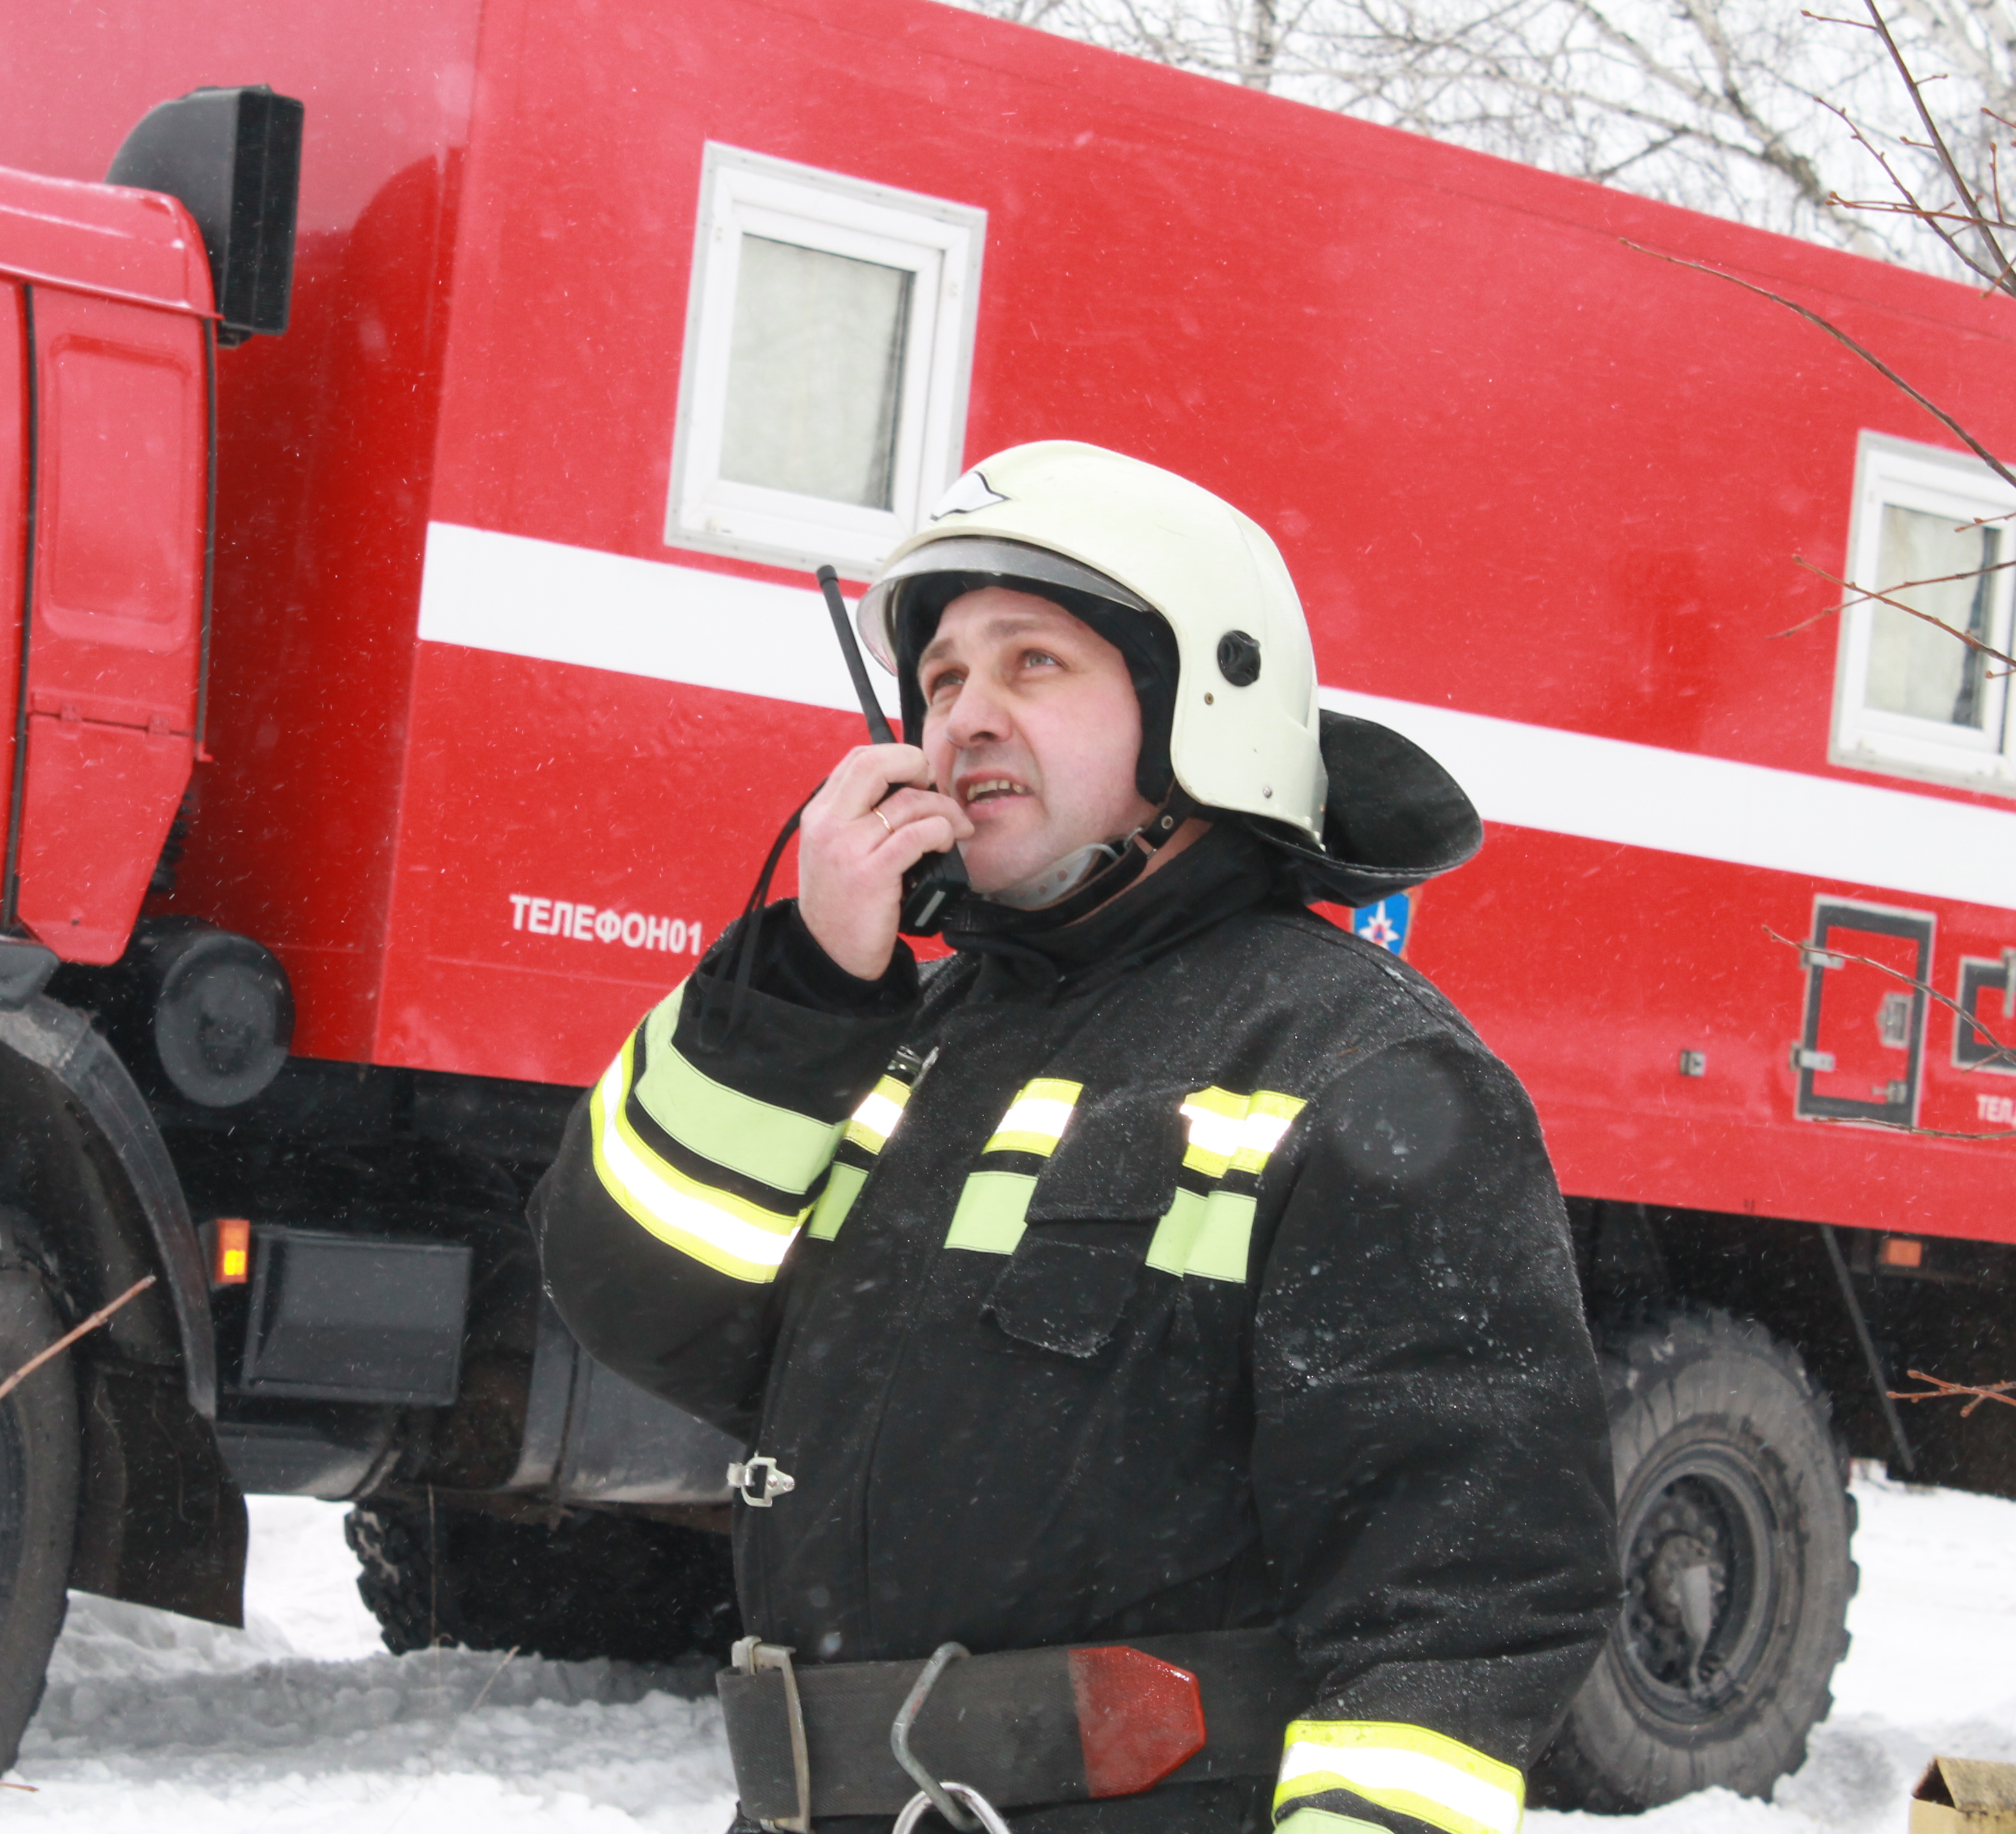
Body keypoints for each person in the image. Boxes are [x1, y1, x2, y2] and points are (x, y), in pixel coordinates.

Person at [530, 441, 1617, 1834]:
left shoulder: (1361, 1070)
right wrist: (798, 988)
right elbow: (637, 1293)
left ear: (1198, 715)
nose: (963, 717)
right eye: (940, 680)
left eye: (1032, 662)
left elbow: (1468, 1589)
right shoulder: (896, 1033)